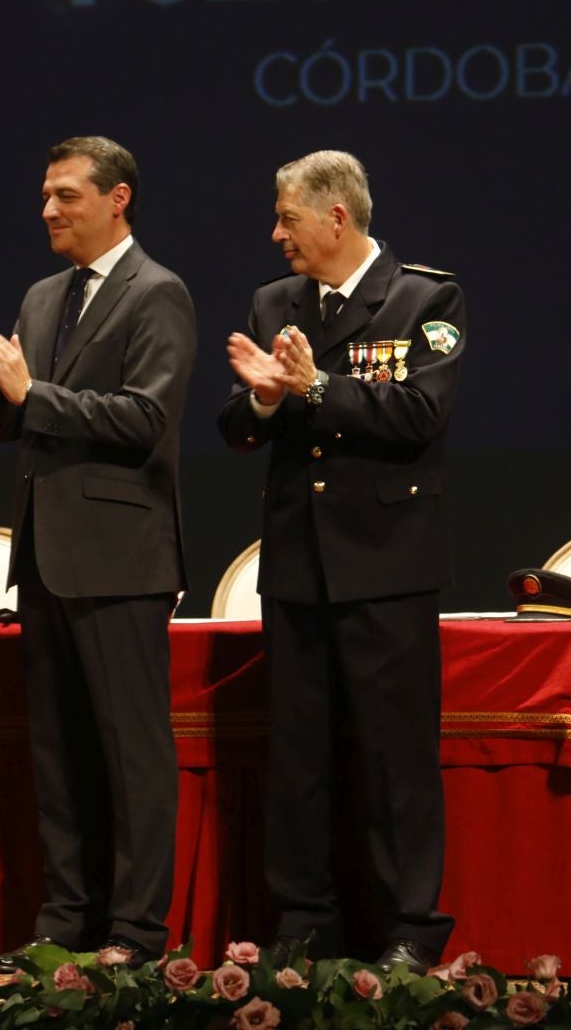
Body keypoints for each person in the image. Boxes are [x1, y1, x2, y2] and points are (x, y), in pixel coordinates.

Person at [0, 135, 194, 970]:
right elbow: (19, 420)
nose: (49, 210)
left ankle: (136, 933)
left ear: (118, 199)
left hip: (122, 558)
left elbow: (143, 419)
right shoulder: (43, 296)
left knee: (131, 754)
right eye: (45, 196)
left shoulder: (158, 293)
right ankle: (63, 923)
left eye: (67, 196)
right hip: (46, 554)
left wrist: (28, 392)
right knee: (58, 752)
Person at [216, 149, 464, 976]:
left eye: (287, 217)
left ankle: (410, 928)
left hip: (386, 565)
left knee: (395, 757)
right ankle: (306, 918)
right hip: (297, 565)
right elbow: (241, 423)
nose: (274, 232)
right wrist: (262, 397)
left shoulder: (425, 297)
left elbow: (418, 413)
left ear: (335, 216)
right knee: (299, 755)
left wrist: (314, 388)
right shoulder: (275, 301)